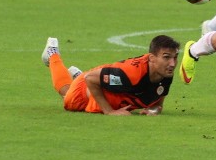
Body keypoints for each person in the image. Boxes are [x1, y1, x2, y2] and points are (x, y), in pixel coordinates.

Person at [41, 35, 179, 115]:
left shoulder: (165, 72)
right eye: (166, 57)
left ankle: (79, 75)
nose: (172, 63)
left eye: (175, 57)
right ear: (151, 58)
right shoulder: (131, 75)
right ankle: (52, 54)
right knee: (67, 95)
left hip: (104, 80)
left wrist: (152, 110)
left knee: (93, 83)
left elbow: (157, 103)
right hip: (89, 84)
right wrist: (110, 112)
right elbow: (91, 79)